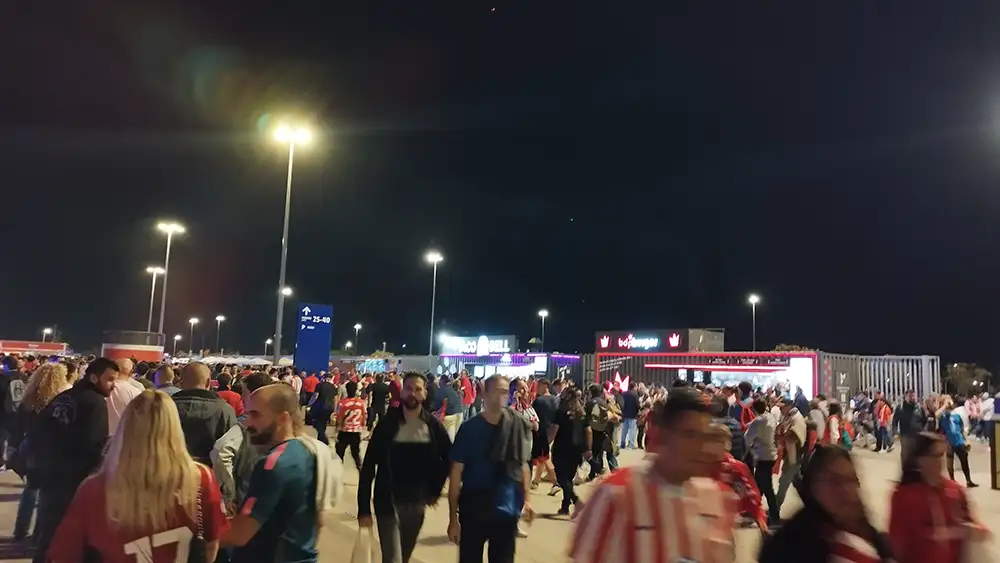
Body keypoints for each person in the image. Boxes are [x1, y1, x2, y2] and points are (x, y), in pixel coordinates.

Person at [47, 390, 229, 563]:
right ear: (174, 428)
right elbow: (212, 542)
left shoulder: (94, 489)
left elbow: (64, 553)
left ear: (125, 428)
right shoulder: (201, 478)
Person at [570, 389, 737, 563]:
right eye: (690, 435)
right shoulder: (615, 496)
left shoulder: (717, 498)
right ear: (664, 434)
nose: (700, 447)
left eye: (705, 437)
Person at [222, 384, 342, 563]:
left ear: (283, 418)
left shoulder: (274, 463)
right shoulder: (311, 451)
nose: (247, 423)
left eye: (255, 415)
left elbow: (240, 534)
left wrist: (197, 529)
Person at [31, 357, 118, 563]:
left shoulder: (63, 397)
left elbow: (39, 432)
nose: (114, 386)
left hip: (50, 477)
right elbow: (94, 446)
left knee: (47, 537)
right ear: (94, 378)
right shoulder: (95, 403)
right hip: (74, 483)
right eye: (110, 380)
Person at [358, 372, 451, 563]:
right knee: (393, 559)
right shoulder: (386, 425)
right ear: (401, 392)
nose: (412, 393)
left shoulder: (433, 426)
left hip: (416, 503)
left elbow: (449, 459)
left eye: (418, 389)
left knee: (404, 557)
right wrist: (364, 508)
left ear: (424, 394)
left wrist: (434, 490)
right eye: (408, 388)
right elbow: (368, 467)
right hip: (387, 501)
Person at [448, 375, 533, 563]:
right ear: (484, 393)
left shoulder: (515, 424)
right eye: (497, 391)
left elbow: (522, 464)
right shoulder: (469, 429)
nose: (502, 396)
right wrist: (453, 518)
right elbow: (455, 474)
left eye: (505, 391)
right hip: (474, 508)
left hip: (506, 508)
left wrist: (527, 499)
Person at [759, 445, 894, 563]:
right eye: (834, 481)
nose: (846, 489)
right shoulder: (788, 545)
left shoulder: (869, 535)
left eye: (851, 480)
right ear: (813, 485)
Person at [888, 432, 991, 563]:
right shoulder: (903, 496)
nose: (939, 462)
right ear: (919, 459)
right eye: (934, 456)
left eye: (941, 456)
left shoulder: (955, 491)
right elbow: (896, 545)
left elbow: (975, 524)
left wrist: (977, 531)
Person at [8, 363, 72, 542]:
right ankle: (39, 533)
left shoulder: (28, 400)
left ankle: (20, 531)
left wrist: (13, 449)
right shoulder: (60, 401)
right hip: (50, 450)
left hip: (29, 448)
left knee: (29, 490)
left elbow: (18, 428)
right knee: (46, 494)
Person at [210, 371, 273, 514]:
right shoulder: (280, 421)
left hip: (246, 498)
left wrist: (228, 493)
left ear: (253, 394)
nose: (242, 397)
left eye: (244, 392)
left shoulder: (246, 424)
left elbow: (221, 451)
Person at [173, 362, 238, 466]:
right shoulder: (225, 410)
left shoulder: (165, 407)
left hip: (170, 473)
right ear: (208, 382)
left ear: (181, 383)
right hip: (211, 475)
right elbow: (232, 451)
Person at [548, 386, 591, 517]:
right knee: (569, 479)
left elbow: (554, 432)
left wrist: (546, 444)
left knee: (562, 479)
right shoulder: (582, 414)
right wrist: (588, 448)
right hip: (577, 450)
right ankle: (565, 507)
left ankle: (577, 501)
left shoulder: (561, 413)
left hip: (561, 449)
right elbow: (588, 431)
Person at [744, 398, 779, 525]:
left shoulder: (758, 421)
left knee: (764, 487)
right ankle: (755, 511)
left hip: (762, 456)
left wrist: (749, 448)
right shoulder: (769, 417)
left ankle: (773, 515)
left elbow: (747, 438)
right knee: (761, 486)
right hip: (771, 455)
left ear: (754, 409)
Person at [938, 397, 977, 487]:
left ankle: (968, 480)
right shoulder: (942, 417)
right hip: (949, 442)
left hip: (959, 441)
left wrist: (966, 440)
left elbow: (961, 430)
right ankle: (952, 481)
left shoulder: (956, 416)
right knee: (950, 463)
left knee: (964, 461)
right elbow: (938, 417)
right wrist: (944, 406)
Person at [334, 380, 365, 469]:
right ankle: (361, 471)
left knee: (339, 454)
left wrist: (336, 431)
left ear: (346, 390)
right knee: (356, 454)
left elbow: (339, 418)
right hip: (356, 431)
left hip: (344, 431)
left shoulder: (342, 403)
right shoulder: (361, 402)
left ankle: (338, 473)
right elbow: (364, 416)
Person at [106, 357, 142, 435]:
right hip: (124, 438)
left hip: (101, 438)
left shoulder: (101, 388)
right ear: (131, 372)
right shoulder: (136, 392)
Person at [893, 389, 927, 461]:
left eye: (914, 396)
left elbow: (925, 420)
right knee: (906, 454)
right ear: (905, 397)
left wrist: (923, 431)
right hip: (905, 436)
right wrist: (895, 432)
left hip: (918, 436)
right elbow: (895, 421)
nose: (913, 398)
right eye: (910, 396)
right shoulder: (900, 408)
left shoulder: (920, 407)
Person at [308, 371, 338, 445]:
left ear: (323, 378)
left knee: (317, 424)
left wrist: (309, 404)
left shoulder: (319, 385)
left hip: (320, 407)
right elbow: (335, 399)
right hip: (329, 407)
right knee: (323, 424)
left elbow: (315, 396)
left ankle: (323, 439)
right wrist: (335, 409)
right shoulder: (333, 387)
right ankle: (321, 440)